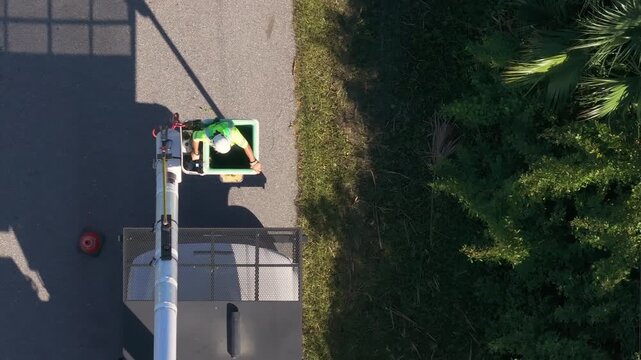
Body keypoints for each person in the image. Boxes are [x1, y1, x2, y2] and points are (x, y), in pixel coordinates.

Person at [190, 120, 262, 173]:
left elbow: (246, 146)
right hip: (215, 127)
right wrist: (195, 153)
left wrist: (253, 162)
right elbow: (195, 137)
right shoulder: (205, 135)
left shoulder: (233, 133)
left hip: (225, 124)